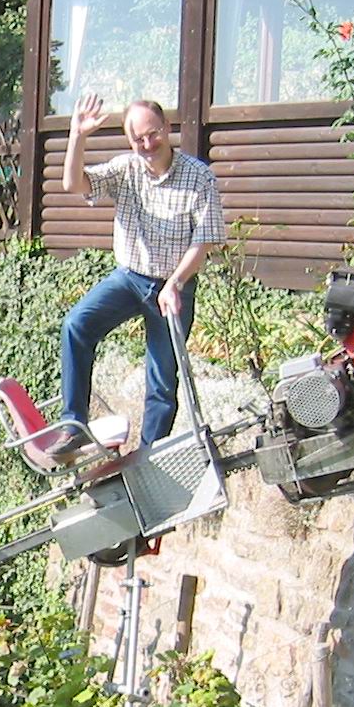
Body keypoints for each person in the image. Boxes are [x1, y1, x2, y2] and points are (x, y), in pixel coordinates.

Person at [56, 92, 226, 447]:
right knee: (76, 325)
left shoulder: (199, 178)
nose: (147, 144)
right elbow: (74, 184)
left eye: (153, 134)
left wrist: (176, 283)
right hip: (130, 279)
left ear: (166, 127)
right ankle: (73, 426)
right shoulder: (125, 169)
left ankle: (151, 455)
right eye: (138, 139)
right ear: (130, 141)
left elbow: (205, 241)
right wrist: (78, 136)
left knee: (163, 379)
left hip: (175, 287)